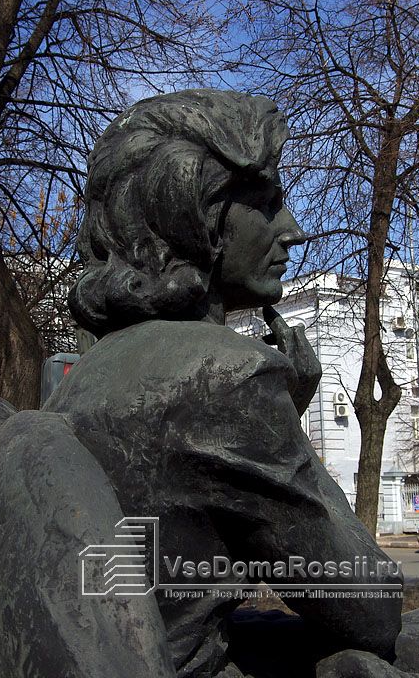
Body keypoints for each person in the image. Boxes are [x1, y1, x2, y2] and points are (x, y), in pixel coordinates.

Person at [55, 89, 401, 675]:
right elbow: (369, 606)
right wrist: (283, 418)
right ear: (200, 218)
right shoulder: (227, 376)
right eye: (266, 204)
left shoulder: (89, 373)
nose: (290, 231)